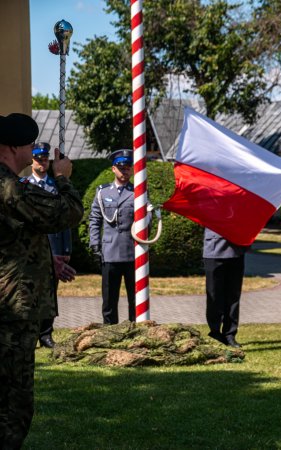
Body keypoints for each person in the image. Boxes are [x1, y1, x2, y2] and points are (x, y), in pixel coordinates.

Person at [0, 112, 83, 449]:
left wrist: (49, 261)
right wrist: (62, 178)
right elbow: (65, 213)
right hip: (11, 312)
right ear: (11, 146)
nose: (35, 149)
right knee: (13, 406)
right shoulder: (8, 186)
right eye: (31, 143)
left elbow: (16, 236)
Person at [89, 149, 147, 325]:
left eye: (128, 167)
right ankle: (109, 330)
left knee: (135, 298)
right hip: (110, 251)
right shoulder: (103, 192)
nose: (125, 171)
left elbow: (146, 220)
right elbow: (95, 219)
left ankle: (134, 329)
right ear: (114, 169)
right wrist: (95, 244)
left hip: (132, 251)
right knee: (109, 299)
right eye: (121, 168)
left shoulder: (138, 192)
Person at [27, 142, 73, 348]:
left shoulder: (57, 187)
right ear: (31, 160)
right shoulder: (23, 185)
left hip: (54, 249)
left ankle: (46, 333)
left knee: (49, 294)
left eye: (45, 158)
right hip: (29, 250)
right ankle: (30, 332)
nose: (42, 161)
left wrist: (66, 249)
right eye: (38, 158)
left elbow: (66, 221)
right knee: (29, 292)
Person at [203, 228, 249, 348]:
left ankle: (230, 334)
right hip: (213, 250)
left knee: (233, 296)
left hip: (236, 250)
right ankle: (215, 332)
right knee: (214, 295)